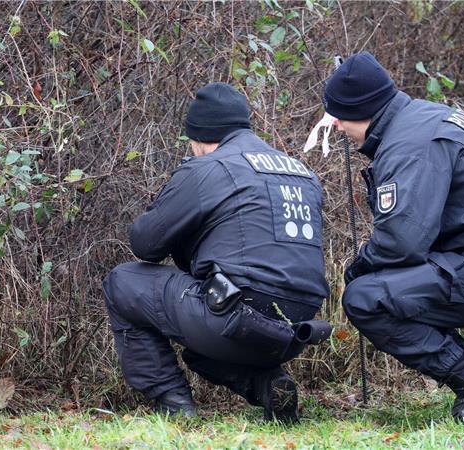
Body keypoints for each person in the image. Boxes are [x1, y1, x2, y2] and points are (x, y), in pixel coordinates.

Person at [322, 52, 464, 423]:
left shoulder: (410, 142)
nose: (333, 125)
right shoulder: (420, 120)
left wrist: (359, 267)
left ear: (360, 108)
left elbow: (402, 242)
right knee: (388, 286)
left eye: (336, 115)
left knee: (367, 297)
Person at [102, 82, 330, 422]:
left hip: (238, 318)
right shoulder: (301, 172)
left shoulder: (208, 168)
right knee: (200, 346)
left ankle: (172, 404)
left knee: (122, 282)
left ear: (201, 137)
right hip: (298, 329)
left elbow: (145, 243)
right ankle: (270, 385)